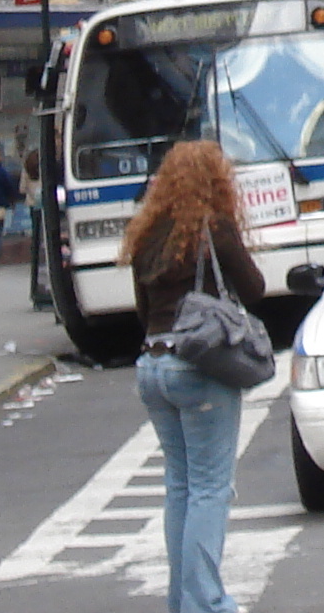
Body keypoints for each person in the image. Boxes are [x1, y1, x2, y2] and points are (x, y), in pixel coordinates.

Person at [124, 142, 265, 613]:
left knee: (181, 486)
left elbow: (144, 311)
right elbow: (254, 289)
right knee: (209, 487)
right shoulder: (214, 231)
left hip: (152, 366)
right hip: (197, 367)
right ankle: (205, 602)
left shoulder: (146, 235)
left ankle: (183, 600)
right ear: (216, 180)